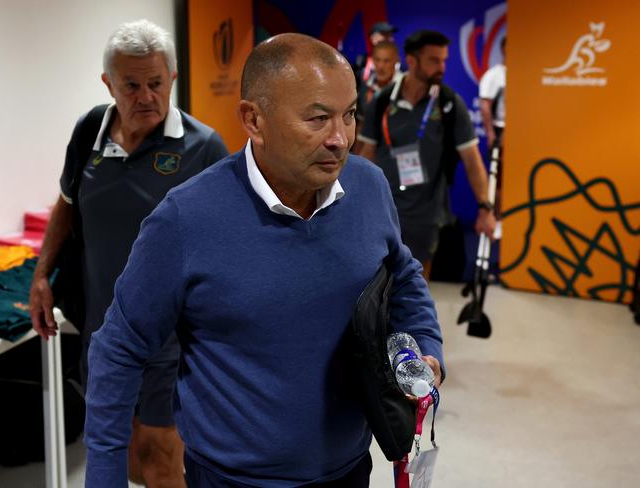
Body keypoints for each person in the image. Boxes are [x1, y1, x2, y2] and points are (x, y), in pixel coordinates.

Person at [84, 33, 444, 487]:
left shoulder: (369, 188)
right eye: (318, 118)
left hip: (350, 470)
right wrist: (104, 476)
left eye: (349, 114)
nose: (341, 139)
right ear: (254, 119)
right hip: (230, 479)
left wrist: (427, 348)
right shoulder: (185, 219)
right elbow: (118, 348)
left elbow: (404, 274)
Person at [28, 19, 228, 488]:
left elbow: (233, 244)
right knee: (123, 457)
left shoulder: (204, 148)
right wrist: (42, 274)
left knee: (160, 456)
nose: (146, 96)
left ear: (172, 78)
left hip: (173, 337)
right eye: (131, 85)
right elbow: (67, 203)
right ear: (108, 84)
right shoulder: (88, 132)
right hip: (104, 333)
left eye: (156, 83)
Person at [357, 30, 496, 280]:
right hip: (382, 209)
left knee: (416, 284)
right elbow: (366, 155)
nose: (441, 67)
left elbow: (473, 160)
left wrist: (485, 207)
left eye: (444, 60)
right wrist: (357, 204)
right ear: (411, 61)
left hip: (427, 214)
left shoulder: (449, 103)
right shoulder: (382, 102)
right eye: (434, 60)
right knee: (377, 283)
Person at [355, 40, 401, 135]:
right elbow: (360, 122)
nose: (381, 66)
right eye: (377, 60)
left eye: (386, 61)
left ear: (396, 60)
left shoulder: (403, 86)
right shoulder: (364, 82)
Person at [479, 37, 506, 149]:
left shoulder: (525, 74)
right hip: (500, 129)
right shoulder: (494, 75)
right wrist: (491, 134)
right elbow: (485, 105)